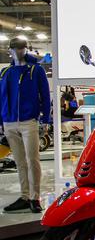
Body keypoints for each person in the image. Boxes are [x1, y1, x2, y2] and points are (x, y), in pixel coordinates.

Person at [0, 37, 51, 213]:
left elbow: (45, 96)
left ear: (25, 49)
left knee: (32, 160)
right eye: (15, 48)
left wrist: (45, 119)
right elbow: (1, 98)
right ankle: (24, 196)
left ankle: (34, 197)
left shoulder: (36, 70)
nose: (18, 51)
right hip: (9, 122)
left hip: (29, 121)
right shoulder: (5, 72)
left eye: (21, 48)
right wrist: (1, 122)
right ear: (10, 50)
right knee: (20, 162)